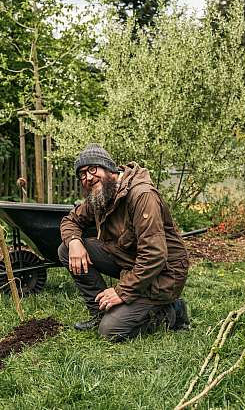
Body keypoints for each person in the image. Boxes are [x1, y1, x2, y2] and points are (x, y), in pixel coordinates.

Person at [58, 143, 190, 341]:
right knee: (66, 250)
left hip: (164, 273)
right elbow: (70, 220)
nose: (88, 178)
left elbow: (154, 255)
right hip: (130, 259)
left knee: (110, 331)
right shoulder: (102, 195)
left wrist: (121, 291)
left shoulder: (142, 195)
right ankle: (99, 311)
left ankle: (172, 310)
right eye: (82, 175)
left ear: (109, 168)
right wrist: (75, 242)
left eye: (92, 169)